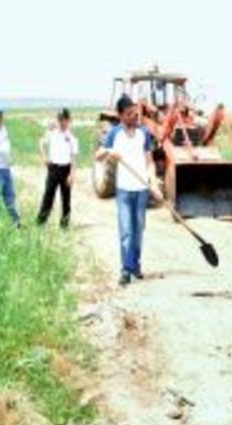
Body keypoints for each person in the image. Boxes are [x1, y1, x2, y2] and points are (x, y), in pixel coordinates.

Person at [95, 95, 161, 286]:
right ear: (121, 115)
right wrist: (108, 152)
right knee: (126, 231)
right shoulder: (114, 134)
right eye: (130, 113)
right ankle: (125, 270)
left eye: (135, 113)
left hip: (141, 190)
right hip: (123, 190)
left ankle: (136, 265)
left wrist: (154, 185)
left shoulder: (144, 133)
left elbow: (149, 162)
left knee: (138, 230)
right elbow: (98, 156)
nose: (134, 116)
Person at [37, 108, 78, 228]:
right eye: (60, 119)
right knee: (48, 196)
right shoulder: (51, 133)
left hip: (66, 169)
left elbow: (74, 158)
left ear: (69, 120)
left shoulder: (72, 138)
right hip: (53, 168)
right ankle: (40, 223)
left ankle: (64, 225)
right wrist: (44, 157)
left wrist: (72, 174)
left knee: (66, 199)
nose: (62, 122)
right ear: (57, 120)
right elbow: (41, 143)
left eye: (64, 119)